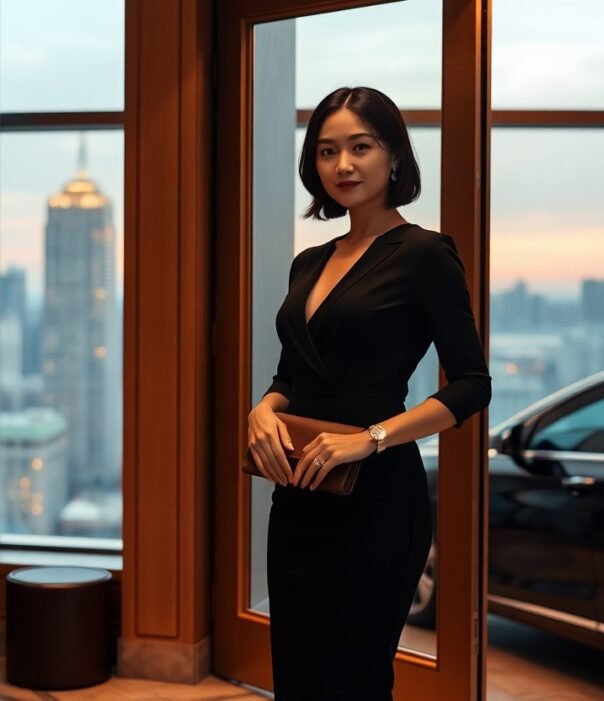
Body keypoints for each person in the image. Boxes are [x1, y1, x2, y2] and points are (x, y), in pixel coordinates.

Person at [246, 86, 492, 700]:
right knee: (297, 675)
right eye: (327, 151)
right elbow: (290, 379)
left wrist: (370, 439)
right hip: (300, 497)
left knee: (354, 678)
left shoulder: (425, 254)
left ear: (394, 157)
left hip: (379, 503)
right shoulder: (310, 261)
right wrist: (261, 411)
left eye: (361, 147)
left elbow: (471, 385)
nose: (344, 165)